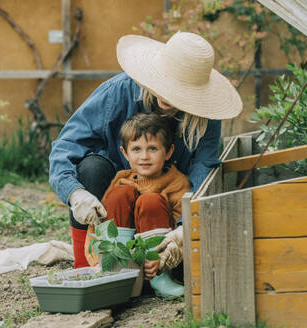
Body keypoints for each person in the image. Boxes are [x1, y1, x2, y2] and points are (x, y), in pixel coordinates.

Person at [48, 31, 242, 294]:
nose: (168, 95)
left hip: (166, 200)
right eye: (166, 84)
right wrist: (75, 193)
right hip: (115, 199)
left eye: (179, 91)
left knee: (177, 255)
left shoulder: (205, 117)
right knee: (91, 169)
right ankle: (89, 267)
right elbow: (65, 147)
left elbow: (203, 168)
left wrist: (187, 226)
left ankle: (157, 271)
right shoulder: (118, 93)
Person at [84, 112, 191, 297]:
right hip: (127, 262)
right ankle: (117, 271)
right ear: (125, 153)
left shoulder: (177, 182)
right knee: (118, 195)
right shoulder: (122, 179)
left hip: (157, 262)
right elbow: (100, 220)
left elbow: (180, 229)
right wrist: (94, 258)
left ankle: (159, 280)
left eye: (152, 149)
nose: (144, 156)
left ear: (169, 152)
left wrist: (161, 258)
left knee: (151, 200)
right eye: (136, 149)